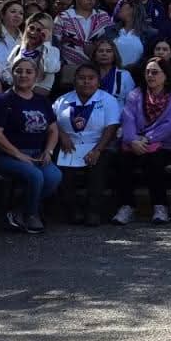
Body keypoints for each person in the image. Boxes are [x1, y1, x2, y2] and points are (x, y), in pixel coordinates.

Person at [0, 56, 62, 236]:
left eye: (29, 72)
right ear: (13, 74)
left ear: (37, 76)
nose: (23, 75)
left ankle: (19, 210)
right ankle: (31, 215)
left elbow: (53, 130)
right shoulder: (1, 101)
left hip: (35, 153)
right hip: (2, 154)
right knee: (34, 175)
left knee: (54, 176)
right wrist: (18, 155)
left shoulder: (42, 101)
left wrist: (48, 151)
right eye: (19, 71)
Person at [115, 57, 171, 225]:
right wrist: (132, 140)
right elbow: (128, 119)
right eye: (147, 72)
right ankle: (127, 206)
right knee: (122, 160)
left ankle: (160, 206)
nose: (150, 75)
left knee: (155, 160)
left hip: (166, 144)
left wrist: (146, 139)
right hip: (136, 143)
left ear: (166, 75)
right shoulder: (135, 94)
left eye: (155, 72)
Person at [52, 63, 121, 227]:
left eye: (91, 78)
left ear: (98, 81)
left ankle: (93, 211)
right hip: (69, 145)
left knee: (97, 170)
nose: (86, 82)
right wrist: (62, 135)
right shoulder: (63, 100)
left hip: (99, 145)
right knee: (64, 172)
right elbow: (51, 121)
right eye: (82, 78)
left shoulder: (107, 100)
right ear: (74, 81)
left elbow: (111, 127)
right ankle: (73, 210)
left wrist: (97, 150)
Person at [52, 0, 110, 83]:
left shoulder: (103, 16)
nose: (91, 0)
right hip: (70, 69)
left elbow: (110, 41)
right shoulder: (63, 17)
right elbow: (55, 44)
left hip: (97, 69)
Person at [7, 12, 61, 94]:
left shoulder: (52, 51)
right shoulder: (18, 49)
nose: (33, 32)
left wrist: (46, 43)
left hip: (38, 98)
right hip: (16, 94)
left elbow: (51, 68)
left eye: (39, 30)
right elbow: (7, 71)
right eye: (31, 28)